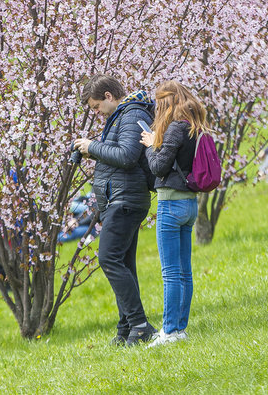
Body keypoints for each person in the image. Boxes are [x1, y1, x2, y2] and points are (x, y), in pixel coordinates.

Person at [73, 74, 156, 346]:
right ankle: (126, 329)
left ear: (109, 96)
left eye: (96, 106)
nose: (96, 112)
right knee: (124, 264)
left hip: (125, 200)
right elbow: (120, 150)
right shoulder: (120, 116)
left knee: (108, 258)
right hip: (119, 200)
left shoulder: (131, 114)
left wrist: (93, 147)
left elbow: (128, 156)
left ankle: (141, 325)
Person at [139, 81, 207, 347]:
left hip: (171, 204)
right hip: (190, 204)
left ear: (166, 102)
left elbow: (157, 167)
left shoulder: (176, 128)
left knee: (170, 272)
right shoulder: (195, 126)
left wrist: (149, 143)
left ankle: (169, 331)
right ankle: (180, 328)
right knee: (184, 271)